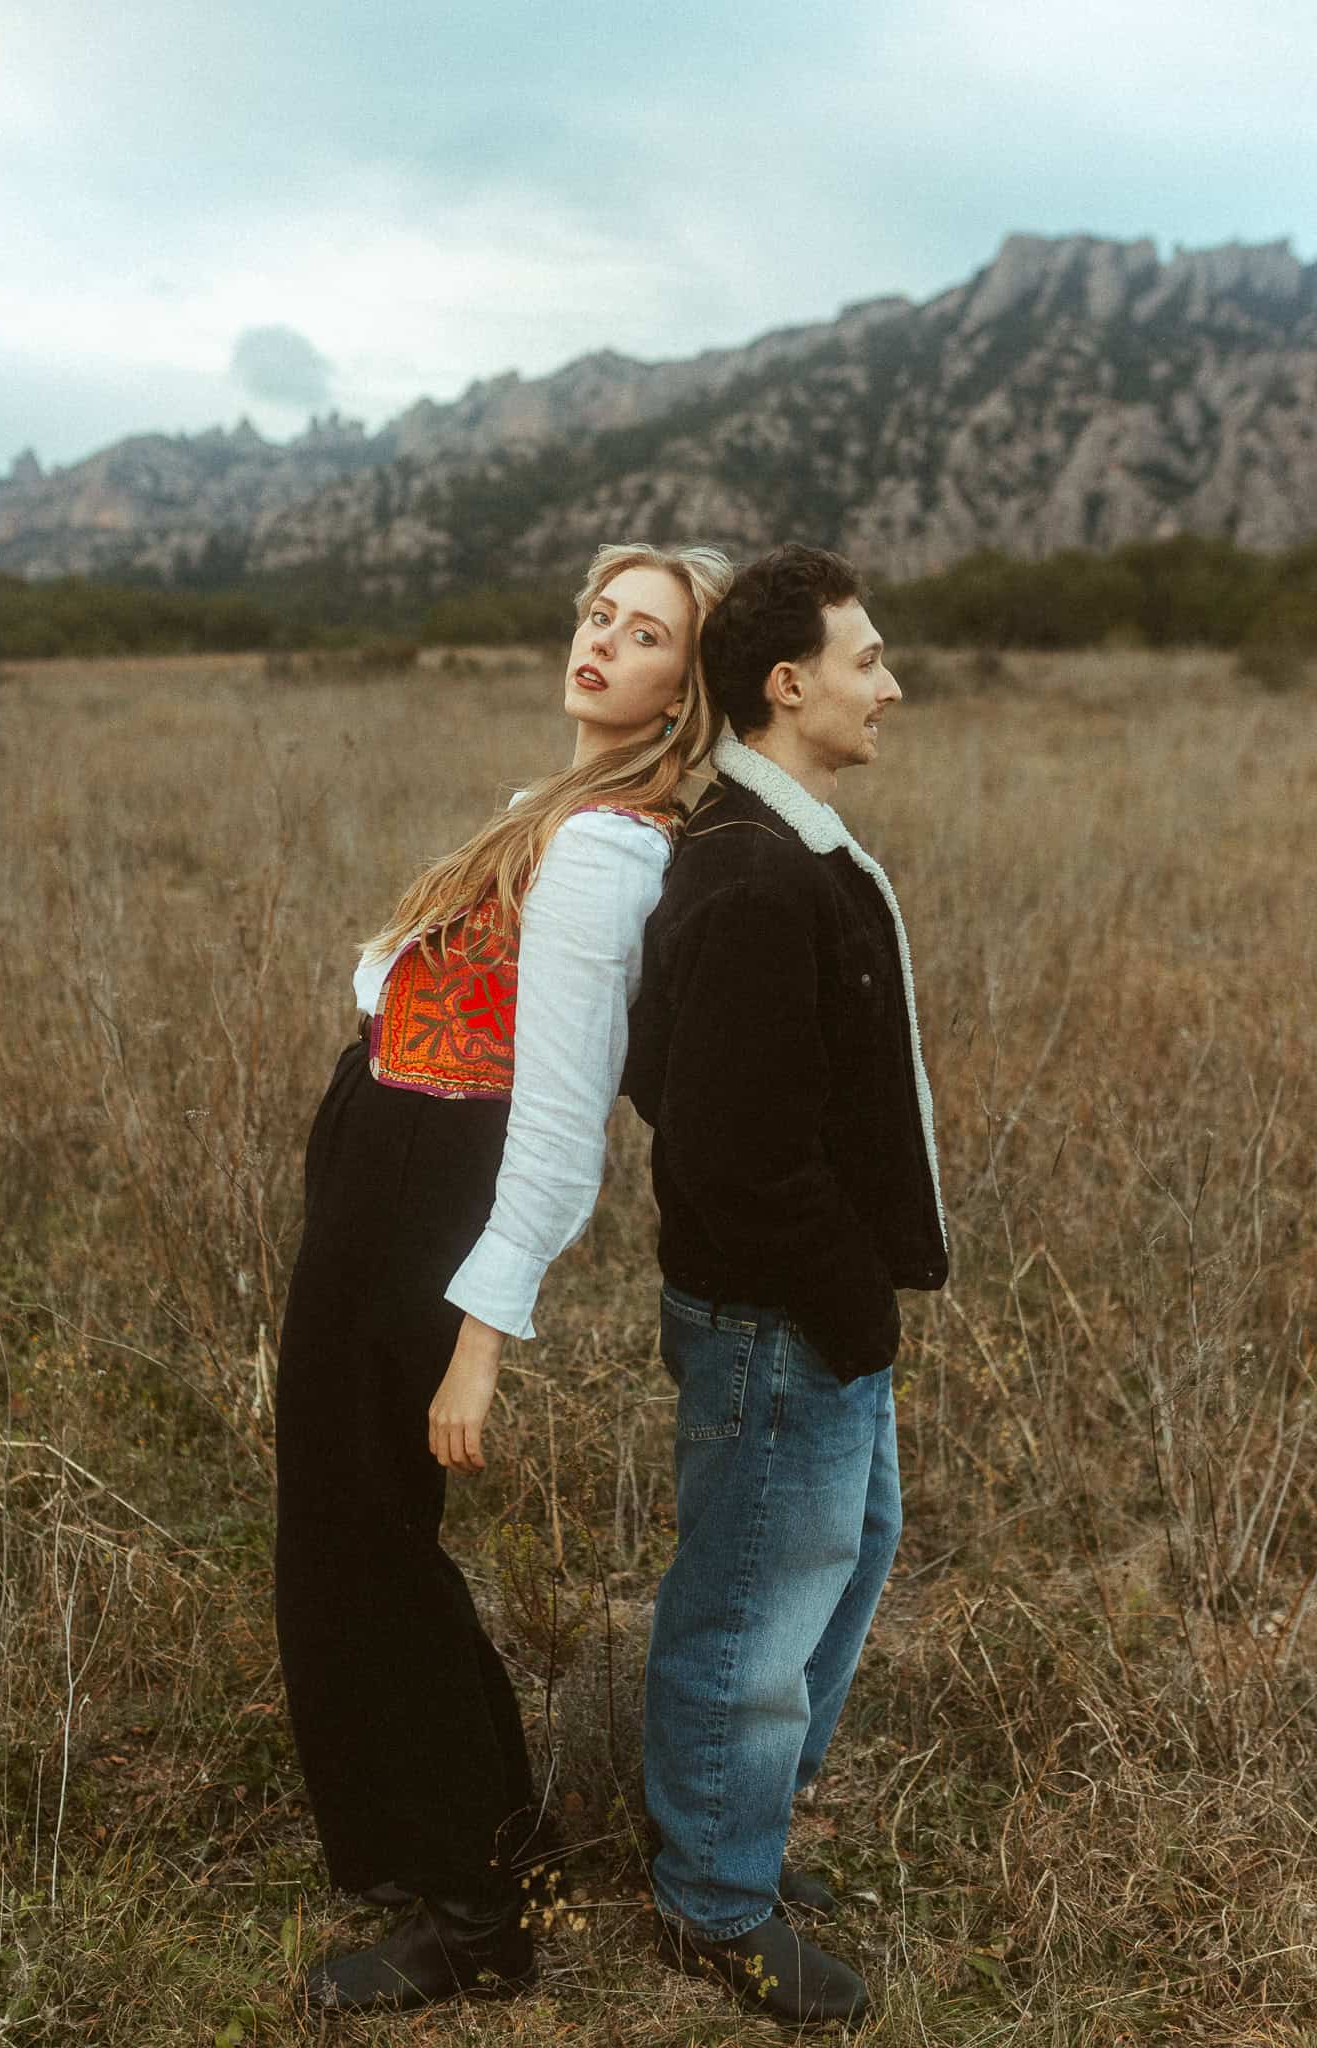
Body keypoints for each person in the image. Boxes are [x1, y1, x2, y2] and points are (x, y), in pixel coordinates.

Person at [275, 539, 733, 2016]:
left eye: (646, 632)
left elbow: (559, 1116)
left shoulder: (608, 844)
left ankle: (472, 1914)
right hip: (390, 1155)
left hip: (432, 1190)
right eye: (597, 613)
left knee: (364, 1537)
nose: (599, 641)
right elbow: (408, 980)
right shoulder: (565, 804)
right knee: (354, 1523)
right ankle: (478, 1837)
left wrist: (482, 1335)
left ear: (691, 685)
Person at [623, 542, 949, 2028]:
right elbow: (734, 1149)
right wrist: (846, 1297)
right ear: (786, 682)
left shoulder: (776, 846)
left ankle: (725, 1834)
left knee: (832, 1575)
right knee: (751, 1616)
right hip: (776, 1319)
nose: (889, 683)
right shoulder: (753, 871)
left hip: (805, 1311)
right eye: (867, 658)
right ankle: (710, 1903)